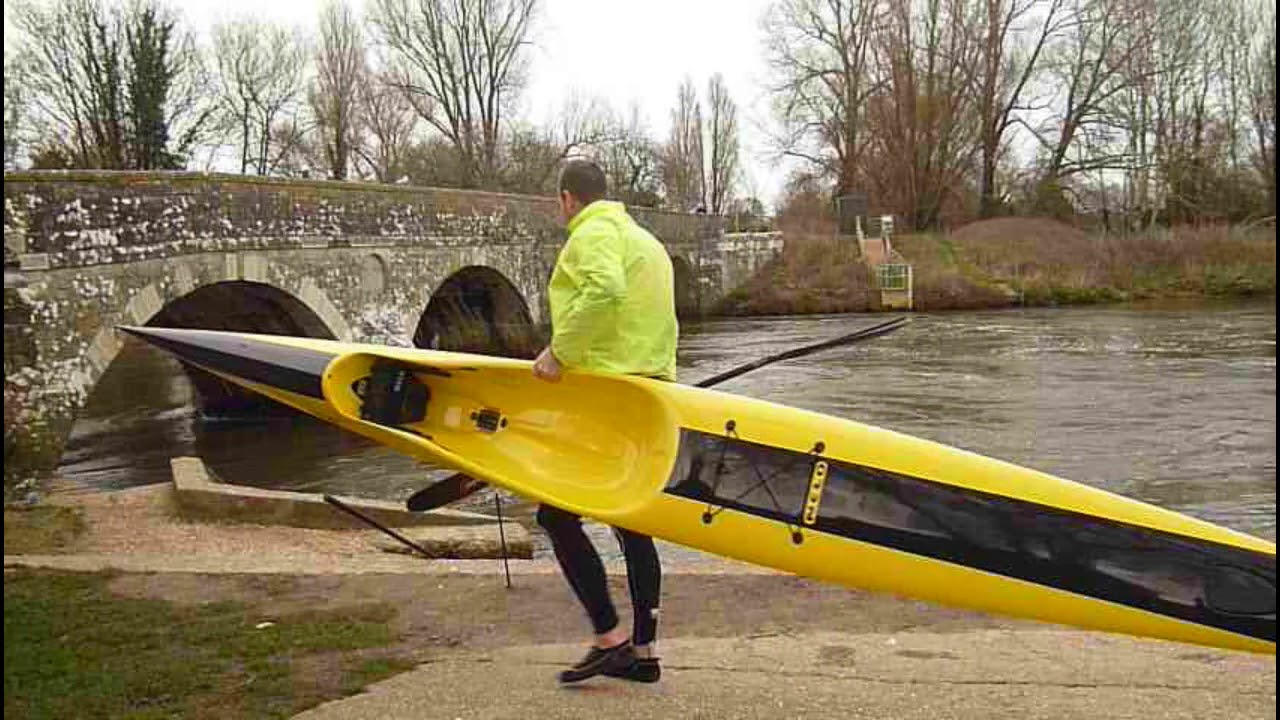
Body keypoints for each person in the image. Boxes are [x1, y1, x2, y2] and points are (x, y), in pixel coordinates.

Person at [531, 158, 678, 685]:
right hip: (649, 394)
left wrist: (558, 352)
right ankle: (644, 651)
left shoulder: (591, 233)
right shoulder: (646, 241)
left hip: (607, 397)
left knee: (555, 515)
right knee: (632, 521)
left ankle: (609, 637)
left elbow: (605, 290)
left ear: (568, 199)